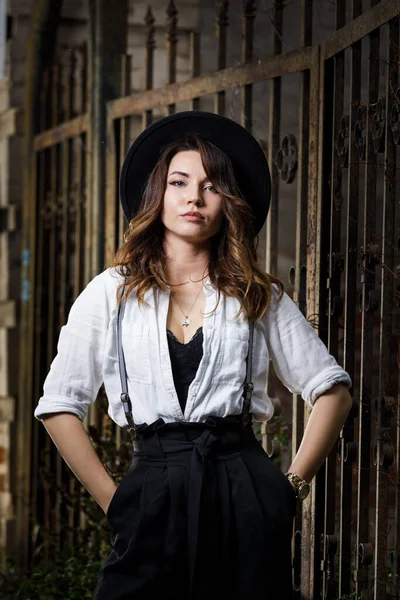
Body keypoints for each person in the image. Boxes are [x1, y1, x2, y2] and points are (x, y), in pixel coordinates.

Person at [34, 111, 352, 600]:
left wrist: (289, 489)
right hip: (151, 490)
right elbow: (59, 404)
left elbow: (331, 390)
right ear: (156, 194)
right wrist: (115, 501)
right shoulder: (109, 295)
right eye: (179, 182)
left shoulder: (255, 294)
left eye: (211, 185)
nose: (194, 197)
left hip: (243, 488)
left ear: (228, 201)